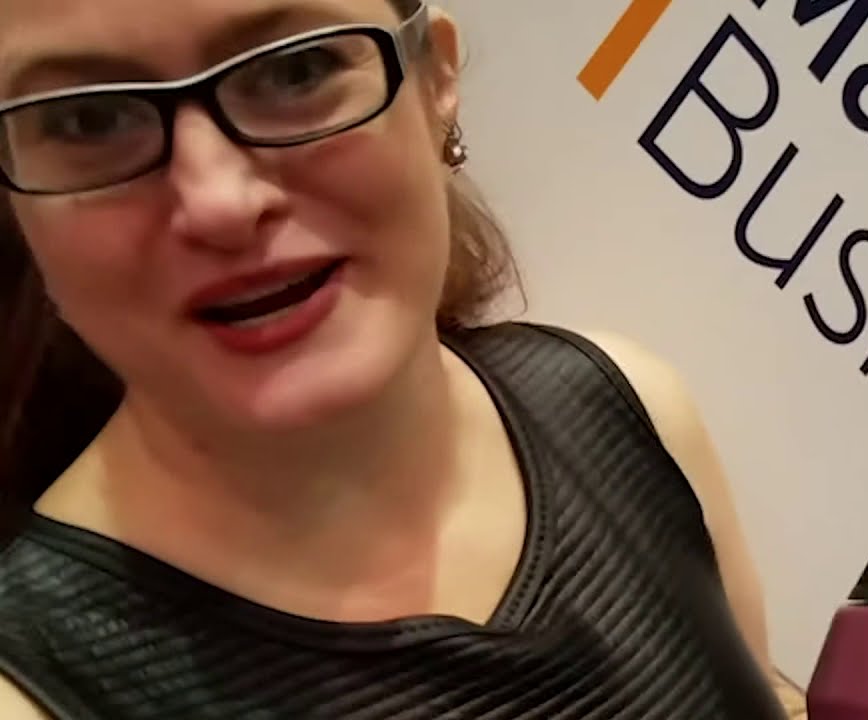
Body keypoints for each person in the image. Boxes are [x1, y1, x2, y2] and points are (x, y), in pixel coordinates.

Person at [0, 1, 801, 717]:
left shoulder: (625, 406)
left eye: (296, 69)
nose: (221, 203)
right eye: (88, 122)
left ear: (435, 79)